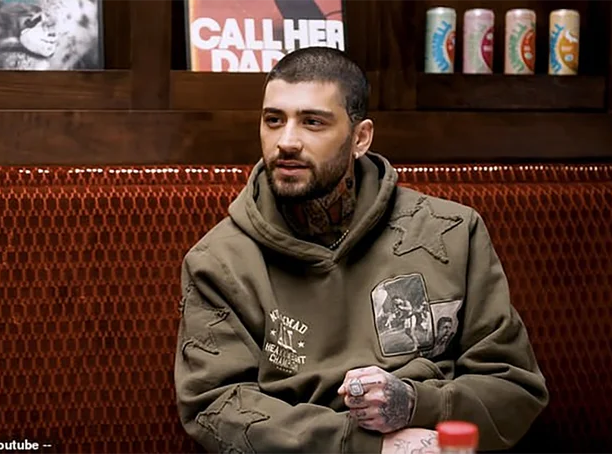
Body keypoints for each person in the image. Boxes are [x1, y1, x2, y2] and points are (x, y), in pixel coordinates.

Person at [174, 47, 549, 454]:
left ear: (360, 138)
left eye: (313, 122)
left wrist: (414, 404)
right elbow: (216, 407)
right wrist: (369, 445)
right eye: (274, 120)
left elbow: (515, 388)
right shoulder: (218, 260)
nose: (286, 142)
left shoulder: (452, 232)